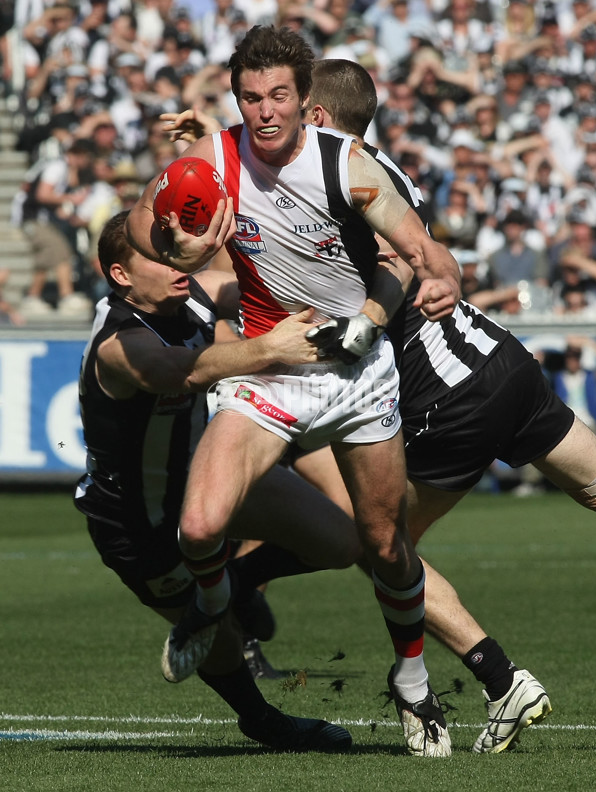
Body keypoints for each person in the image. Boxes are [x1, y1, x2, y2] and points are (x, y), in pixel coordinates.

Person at [126, 25, 462, 758]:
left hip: (356, 374)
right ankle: (216, 605)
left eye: (279, 95)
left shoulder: (350, 166)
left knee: (383, 543)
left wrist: (425, 289)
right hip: (270, 369)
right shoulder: (212, 157)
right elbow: (140, 230)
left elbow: (426, 253)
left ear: (306, 99)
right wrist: (173, 243)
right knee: (200, 530)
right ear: (236, 98)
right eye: (250, 97)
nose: (265, 111)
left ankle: (411, 679)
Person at [301, 57, 596, 754]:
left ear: (315, 118)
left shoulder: (339, 181)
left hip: (447, 393)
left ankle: (497, 681)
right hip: (499, 360)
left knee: (384, 548)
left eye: (289, 108)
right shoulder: (382, 169)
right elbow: (428, 255)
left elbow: (406, 261)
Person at [73, 210, 357, 753]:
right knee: (221, 638)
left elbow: (261, 278)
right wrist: (271, 346)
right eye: (158, 256)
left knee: (342, 542)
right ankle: (261, 719)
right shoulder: (118, 342)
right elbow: (178, 371)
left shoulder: (192, 293)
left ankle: (233, 584)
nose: (177, 261)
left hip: (204, 477)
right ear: (121, 275)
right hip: (139, 522)